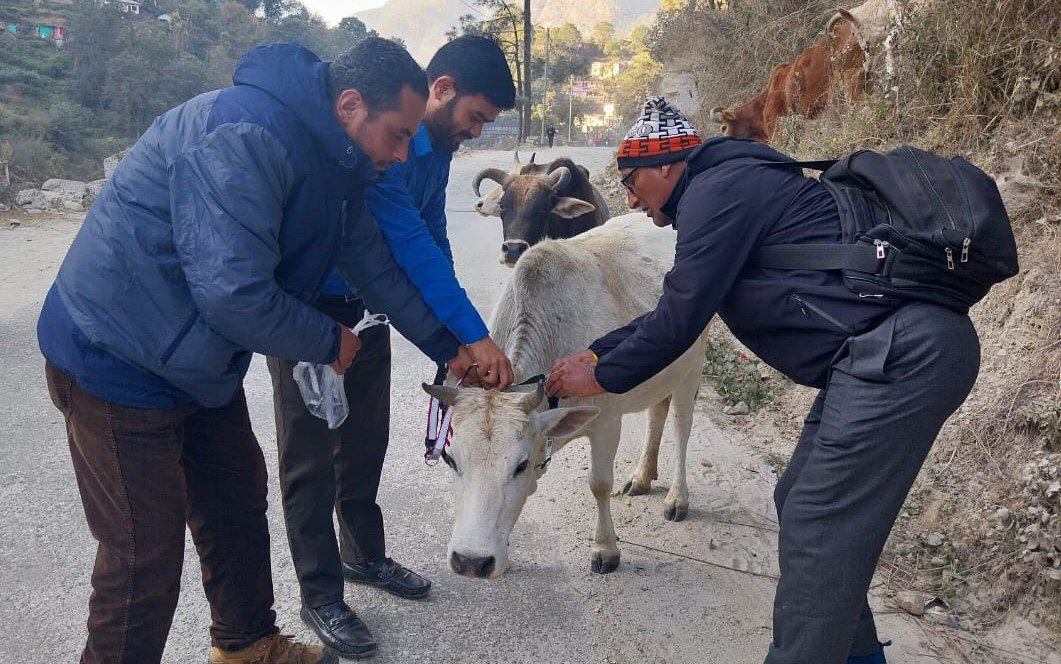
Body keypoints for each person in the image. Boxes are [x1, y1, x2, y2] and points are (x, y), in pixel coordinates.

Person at [37, 38, 477, 664]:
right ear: (350, 105)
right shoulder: (241, 136)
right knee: (143, 557)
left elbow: (372, 264)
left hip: (196, 367)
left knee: (236, 500)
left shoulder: (339, 161)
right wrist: (329, 339)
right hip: (117, 360)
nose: (405, 154)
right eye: (398, 135)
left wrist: (445, 345)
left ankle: (246, 645)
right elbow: (233, 294)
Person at [546, 97, 979, 664]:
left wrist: (601, 376)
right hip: (874, 357)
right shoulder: (728, 183)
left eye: (631, 181)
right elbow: (674, 308)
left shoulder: (717, 191)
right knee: (798, 496)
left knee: (818, 520)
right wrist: (595, 354)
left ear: (668, 167)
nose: (628, 198)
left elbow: (681, 320)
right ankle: (858, 656)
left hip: (901, 357)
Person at [266, 35, 516, 660]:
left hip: (371, 310)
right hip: (310, 312)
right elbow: (406, 243)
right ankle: (320, 593)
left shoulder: (431, 151)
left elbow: (433, 238)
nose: (477, 132)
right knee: (309, 457)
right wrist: (473, 336)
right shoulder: (390, 143)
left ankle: (364, 557)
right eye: (475, 116)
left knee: (365, 440)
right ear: (442, 89)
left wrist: (453, 340)